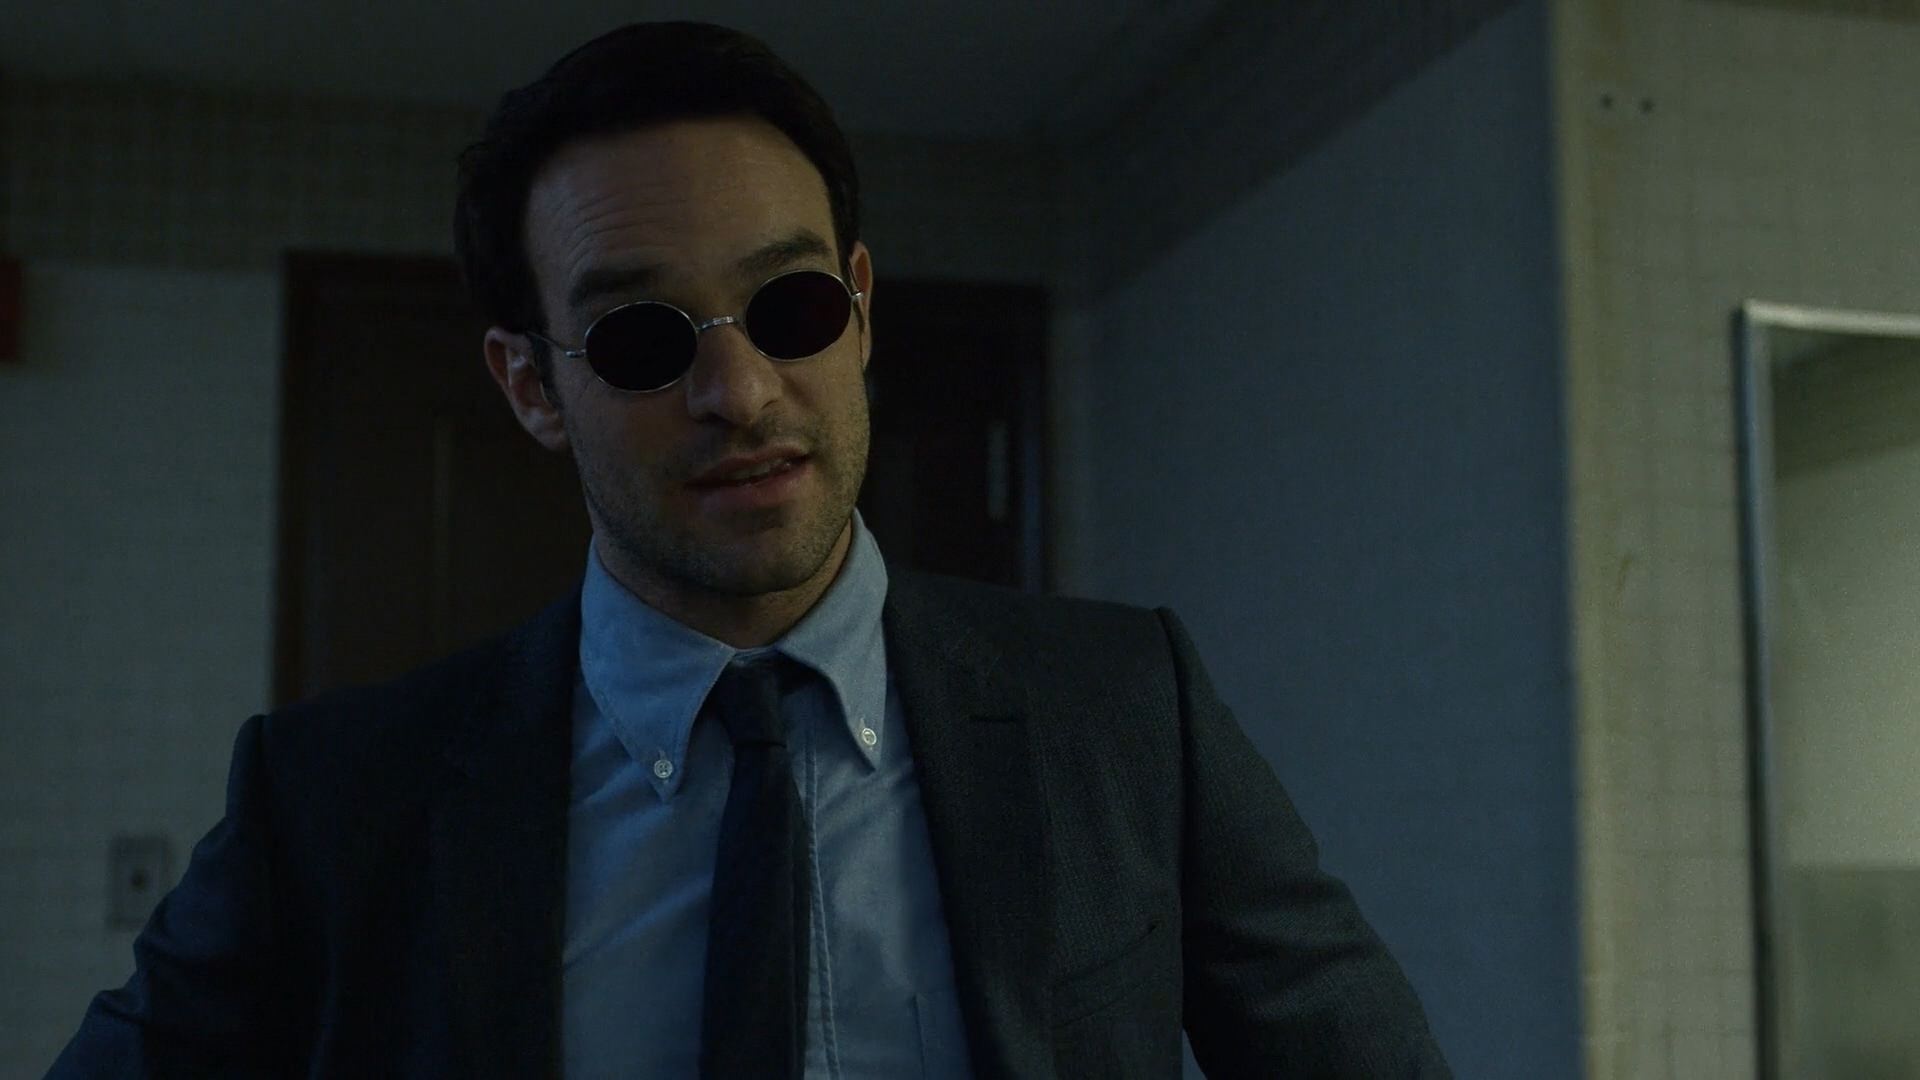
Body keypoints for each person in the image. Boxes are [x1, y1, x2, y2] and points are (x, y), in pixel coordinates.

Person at [49, 21, 1450, 1079]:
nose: (740, 394)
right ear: (531, 385)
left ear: (859, 308)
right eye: (641, 337)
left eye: (789, 309)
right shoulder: (334, 805)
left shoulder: (1127, 713)